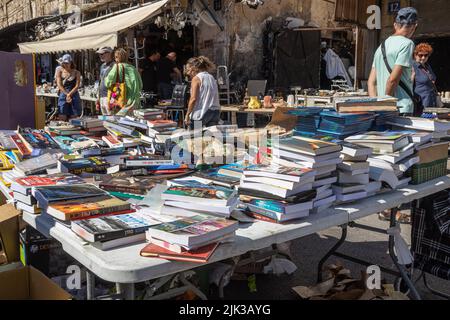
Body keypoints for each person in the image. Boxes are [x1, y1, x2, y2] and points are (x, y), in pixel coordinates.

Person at [368, 7, 418, 116]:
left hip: (381, 110)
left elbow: (371, 82)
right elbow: (393, 79)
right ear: (414, 26)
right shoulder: (407, 44)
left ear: (395, 25)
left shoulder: (381, 47)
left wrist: (377, 106)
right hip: (400, 107)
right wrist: (387, 105)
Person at [184, 56, 220, 130]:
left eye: (188, 70)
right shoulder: (211, 77)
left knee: (195, 138)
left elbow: (193, 99)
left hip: (201, 114)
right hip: (214, 112)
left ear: (193, 68)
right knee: (211, 138)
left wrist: (187, 115)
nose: (188, 73)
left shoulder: (196, 79)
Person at [104, 48, 143, 116]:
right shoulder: (132, 68)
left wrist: (105, 79)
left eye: (116, 57)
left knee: (119, 123)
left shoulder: (117, 66)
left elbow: (108, 82)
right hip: (135, 102)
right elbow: (140, 85)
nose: (115, 59)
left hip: (122, 101)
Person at [55, 54, 81, 121]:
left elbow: (77, 85)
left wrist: (69, 94)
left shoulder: (77, 72)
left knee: (74, 116)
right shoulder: (59, 71)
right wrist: (67, 94)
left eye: (67, 63)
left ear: (71, 62)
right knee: (62, 115)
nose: (66, 64)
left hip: (74, 94)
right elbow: (59, 84)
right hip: (63, 93)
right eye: (64, 63)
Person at [413, 43, 438, 110]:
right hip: (420, 104)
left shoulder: (427, 66)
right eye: (420, 55)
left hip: (431, 102)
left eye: (426, 55)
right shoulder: (412, 67)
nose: (423, 57)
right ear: (415, 55)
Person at [95, 46, 114, 115]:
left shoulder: (114, 65)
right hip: (102, 97)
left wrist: (113, 98)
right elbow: (100, 81)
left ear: (109, 53)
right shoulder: (102, 66)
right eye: (99, 54)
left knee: (112, 120)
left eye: (102, 54)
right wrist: (98, 97)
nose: (100, 56)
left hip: (110, 96)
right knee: (105, 120)